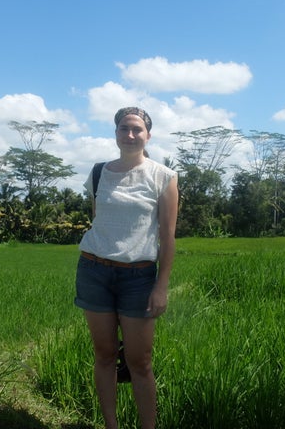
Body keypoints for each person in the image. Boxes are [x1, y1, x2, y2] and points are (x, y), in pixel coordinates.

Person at [74, 107, 179, 429]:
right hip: (94, 270)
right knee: (105, 355)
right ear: (116, 133)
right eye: (124, 129)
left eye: (137, 129)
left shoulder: (164, 176)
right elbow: (99, 219)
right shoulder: (98, 172)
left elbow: (167, 236)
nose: (130, 135)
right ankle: (111, 425)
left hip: (138, 277)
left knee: (140, 361)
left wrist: (161, 286)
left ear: (148, 135)